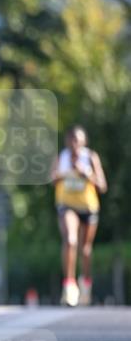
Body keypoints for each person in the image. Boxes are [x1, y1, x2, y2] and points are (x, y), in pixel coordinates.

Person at [51, 125, 107, 307]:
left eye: (78, 140)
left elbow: (102, 186)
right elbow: (52, 179)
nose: (74, 144)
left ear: (84, 142)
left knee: (85, 249)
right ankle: (69, 286)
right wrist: (61, 175)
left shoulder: (90, 157)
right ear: (67, 141)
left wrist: (86, 174)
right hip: (67, 205)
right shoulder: (62, 157)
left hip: (88, 207)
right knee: (71, 240)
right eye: (71, 140)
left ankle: (86, 286)